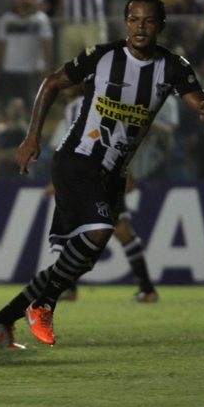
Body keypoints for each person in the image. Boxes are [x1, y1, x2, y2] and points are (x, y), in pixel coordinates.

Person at [0, 0, 204, 350]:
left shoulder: (172, 66)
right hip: (77, 158)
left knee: (80, 259)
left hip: (112, 173)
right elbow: (52, 82)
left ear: (161, 26)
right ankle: (43, 305)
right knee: (99, 231)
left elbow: (203, 104)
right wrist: (32, 137)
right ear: (126, 22)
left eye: (149, 21)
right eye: (134, 20)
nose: (140, 27)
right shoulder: (102, 56)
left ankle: (1, 322)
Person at [44, 86, 158, 302]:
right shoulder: (103, 102)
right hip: (107, 171)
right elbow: (119, 139)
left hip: (91, 175)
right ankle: (146, 289)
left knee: (83, 230)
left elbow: (78, 145)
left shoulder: (77, 107)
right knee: (116, 231)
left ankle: (70, 288)